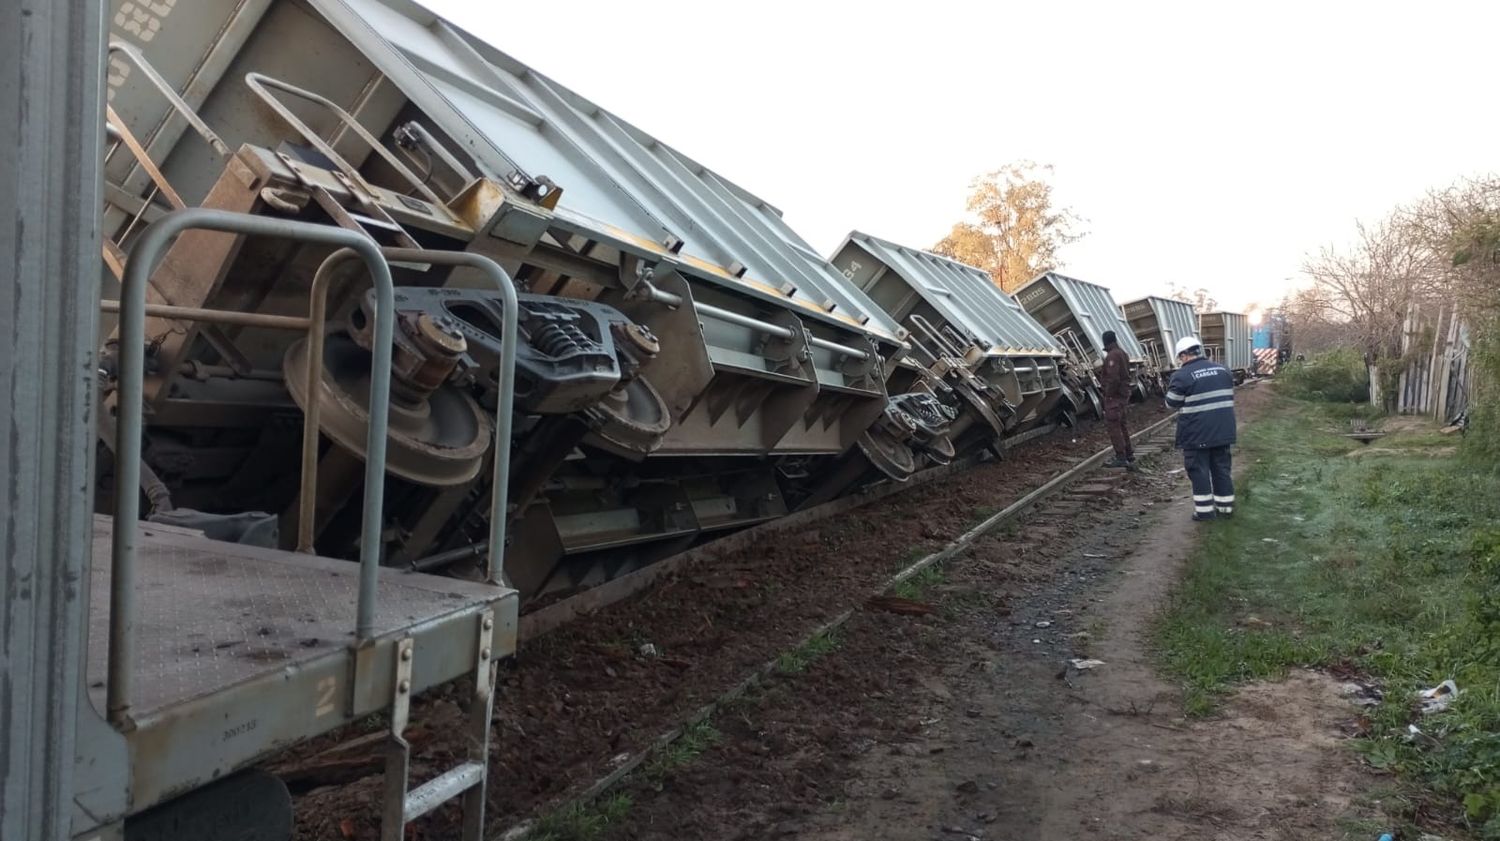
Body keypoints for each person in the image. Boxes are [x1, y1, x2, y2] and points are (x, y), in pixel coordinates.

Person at [1163, 336, 1237, 521]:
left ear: (1184, 355)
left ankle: (1204, 512)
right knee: (1221, 468)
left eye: (1180, 357)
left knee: (1199, 470)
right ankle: (1225, 508)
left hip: (1197, 433)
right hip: (1223, 431)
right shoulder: (1223, 370)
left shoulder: (1182, 375)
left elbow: (1171, 403)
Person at [1098, 330, 1134, 469]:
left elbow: (1113, 379)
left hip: (1115, 397)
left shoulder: (1112, 356)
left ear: (1105, 341)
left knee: (1114, 426)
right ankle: (1128, 454)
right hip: (1123, 395)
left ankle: (1120, 456)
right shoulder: (1122, 353)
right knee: (1122, 425)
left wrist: (1108, 394)